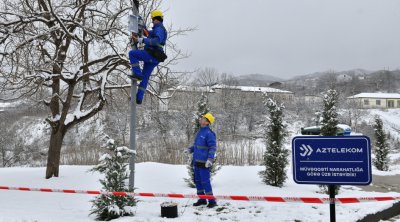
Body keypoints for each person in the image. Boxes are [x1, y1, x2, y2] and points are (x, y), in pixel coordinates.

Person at [128, 10, 168, 104]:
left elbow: (156, 40)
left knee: (132, 54)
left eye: (153, 19)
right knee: (145, 77)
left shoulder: (159, 28)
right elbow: (148, 34)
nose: (152, 21)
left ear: (156, 19)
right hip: (154, 57)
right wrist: (141, 22)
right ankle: (139, 98)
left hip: (152, 54)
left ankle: (137, 74)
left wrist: (140, 40)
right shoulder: (157, 29)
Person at [186, 113, 218, 208]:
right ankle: (202, 199)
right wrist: (190, 149)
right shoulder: (200, 131)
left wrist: (210, 159)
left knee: (205, 182)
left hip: (204, 162)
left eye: (203, 118)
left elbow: (212, 147)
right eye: (202, 118)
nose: (201, 119)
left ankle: (212, 201)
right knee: (198, 181)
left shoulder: (209, 134)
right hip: (196, 161)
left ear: (207, 122)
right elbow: (198, 146)